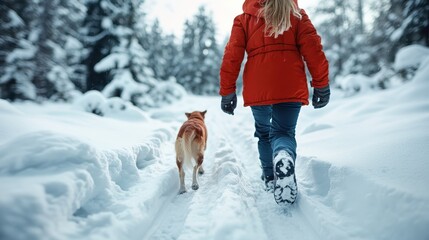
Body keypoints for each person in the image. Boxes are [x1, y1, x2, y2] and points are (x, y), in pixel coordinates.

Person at [219, 0, 330, 205]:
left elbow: (232, 56)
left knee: (264, 133)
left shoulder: (243, 19)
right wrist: (321, 84)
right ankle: (284, 156)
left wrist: (227, 91)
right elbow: (313, 49)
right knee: (284, 133)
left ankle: (271, 178)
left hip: (259, 86)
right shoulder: (296, 14)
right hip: (290, 83)